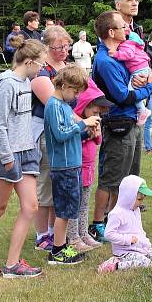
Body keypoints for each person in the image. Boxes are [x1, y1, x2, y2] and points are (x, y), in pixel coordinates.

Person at [0, 36, 47, 279]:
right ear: (30, 61)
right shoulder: (7, 84)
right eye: (41, 63)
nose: (43, 68)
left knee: (30, 206)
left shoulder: (26, 83)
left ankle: (13, 264)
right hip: (7, 155)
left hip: (27, 153)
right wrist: (6, 157)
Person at [90, 11, 152, 241]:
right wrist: (147, 89)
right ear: (111, 32)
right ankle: (98, 223)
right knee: (111, 178)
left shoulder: (120, 56)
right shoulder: (105, 60)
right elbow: (121, 95)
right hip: (117, 124)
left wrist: (143, 82)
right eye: (121, 27)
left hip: (131, 122)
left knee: (129, 177)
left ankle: (116, 220)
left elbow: (137, 78)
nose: (126, 30)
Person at [43, 64, 100, 264]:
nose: (76, 96)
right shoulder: (54, 106)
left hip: (73, 164)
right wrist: (83, 123)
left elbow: (72, 132)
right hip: (63, 165)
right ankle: (57, 251)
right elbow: (60, 135)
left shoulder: (66, 107)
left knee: (70, 209)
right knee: (65, 211)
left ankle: (63, 246)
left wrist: (87, 132)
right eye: (75, 91)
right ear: (64, 85)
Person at [30, 25, 73, 251]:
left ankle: (54, 231)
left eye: (67, 45)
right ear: (47, 47)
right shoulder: (41, 72)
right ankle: (41, 234)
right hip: (46, 132)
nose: (64, 50)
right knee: (45, 184)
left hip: (65, 132)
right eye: (59, 47)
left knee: (58, 184)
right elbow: (55, 104)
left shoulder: (66, 67)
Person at [66, 80, 113, 251]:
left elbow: (98, 141)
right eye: (95, 112)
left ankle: (83, 232)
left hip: (89, 168)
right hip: (76, 168)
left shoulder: (95, 122)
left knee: (84, 203)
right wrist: (87, 133)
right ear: (84, 107)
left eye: (100, 114)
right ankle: (73, 236)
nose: (98, 116)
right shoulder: (77, 123)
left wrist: (97, 133)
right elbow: (72, 140)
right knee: (74, 203)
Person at [97, 176, 152, 274]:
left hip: (139, 248)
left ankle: (138, 257)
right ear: (129, 196)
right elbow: (108, 234)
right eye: (139, 199)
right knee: (146, 263)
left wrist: (145, 243)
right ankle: (116, 265)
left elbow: (139, 230)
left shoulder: (136, 210)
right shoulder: (116, 214)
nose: (141, 203)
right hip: (124, 252)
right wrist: (128, 239)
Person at [111, 26, 152, 126]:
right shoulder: (135, 43)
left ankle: (142, 110)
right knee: (136, 89)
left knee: (131, 92)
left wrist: (116, 54)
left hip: (138, 70)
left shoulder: (127, 44)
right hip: (143, 68)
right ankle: (141, 108)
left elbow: (128, 55)